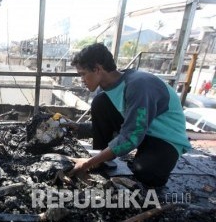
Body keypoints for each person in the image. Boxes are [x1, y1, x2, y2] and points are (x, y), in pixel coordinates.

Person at [65, 43, 191, 187]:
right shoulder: (106, 90)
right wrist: (78, 127)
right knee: (100, 102)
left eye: (83, 74)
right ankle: (101, 159)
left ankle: (99, 160)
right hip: (142, 132)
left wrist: (87, 163)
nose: (81, 80)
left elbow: (131, 136)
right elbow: (111, 126)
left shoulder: (138, 85)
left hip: (165, 138)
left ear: (97, 69)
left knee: (146, 172)